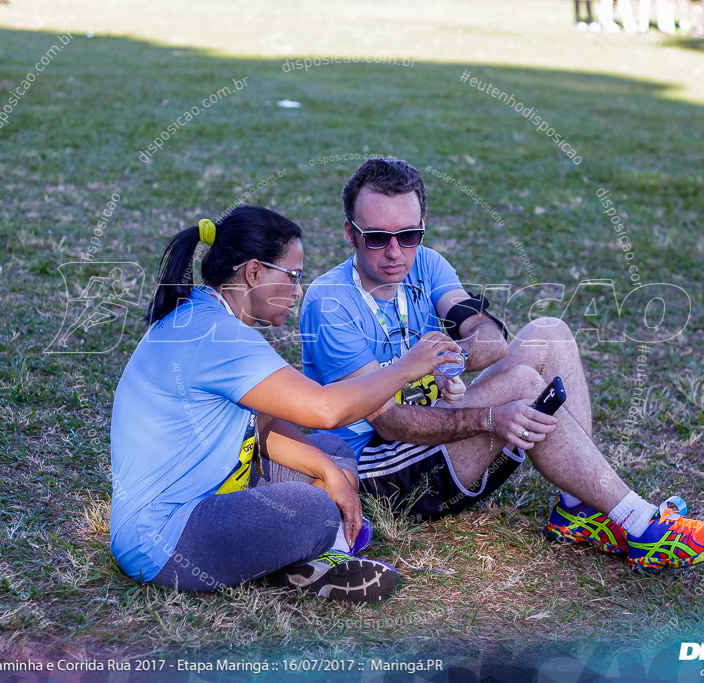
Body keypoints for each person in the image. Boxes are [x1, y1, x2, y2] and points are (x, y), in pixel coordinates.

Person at [299, 158, 704, 571]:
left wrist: (449, 362)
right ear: (350, 233)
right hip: (377, 469)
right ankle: (642, 523)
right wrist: (489, 416)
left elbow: (490, 338)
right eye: (377, 237)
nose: (395, 252)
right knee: (524, 384)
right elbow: (390, 422)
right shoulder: (330, 302)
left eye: (409, 235)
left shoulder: (426, 265)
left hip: (426, 433)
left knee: (550, 332)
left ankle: (578, 510)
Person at [109, 205, 458, 603]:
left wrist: (328, 471)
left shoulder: (205, 315)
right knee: (314, 508)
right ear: (254, 272)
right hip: (162, 541)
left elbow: (261, 427)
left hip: (210, 493)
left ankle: (311, 558)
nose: (298, 291)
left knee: (331, 452)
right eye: (292, 277)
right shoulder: (221, 337)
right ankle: (324, 552)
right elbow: (326, 409)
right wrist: (406, 369)